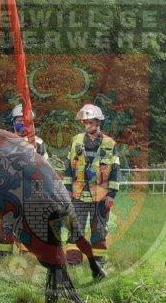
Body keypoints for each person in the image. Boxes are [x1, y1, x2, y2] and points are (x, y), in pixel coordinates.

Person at [63, 103, 118, 279]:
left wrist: (111, 195)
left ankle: (99, 263)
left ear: (98, 122)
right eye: (85, 123)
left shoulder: (110, 144)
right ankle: (73, 262)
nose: (87, 126)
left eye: (90, 122)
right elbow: (68, 166)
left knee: (99, 231)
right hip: (78, 195)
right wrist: (67, 190)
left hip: (101, 196)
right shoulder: (76, 140)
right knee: (75, 228)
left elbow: (115, 171)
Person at [0, 103, 48, 259]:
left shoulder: (38, 143)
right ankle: (3, 257)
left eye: (26, 121)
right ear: (13, 121)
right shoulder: (3, 140)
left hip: (29, 192)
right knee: (6, 225)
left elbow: (45, 169)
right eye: (19, 120)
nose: (23, 123)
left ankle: (26, 257)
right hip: (8, 191)